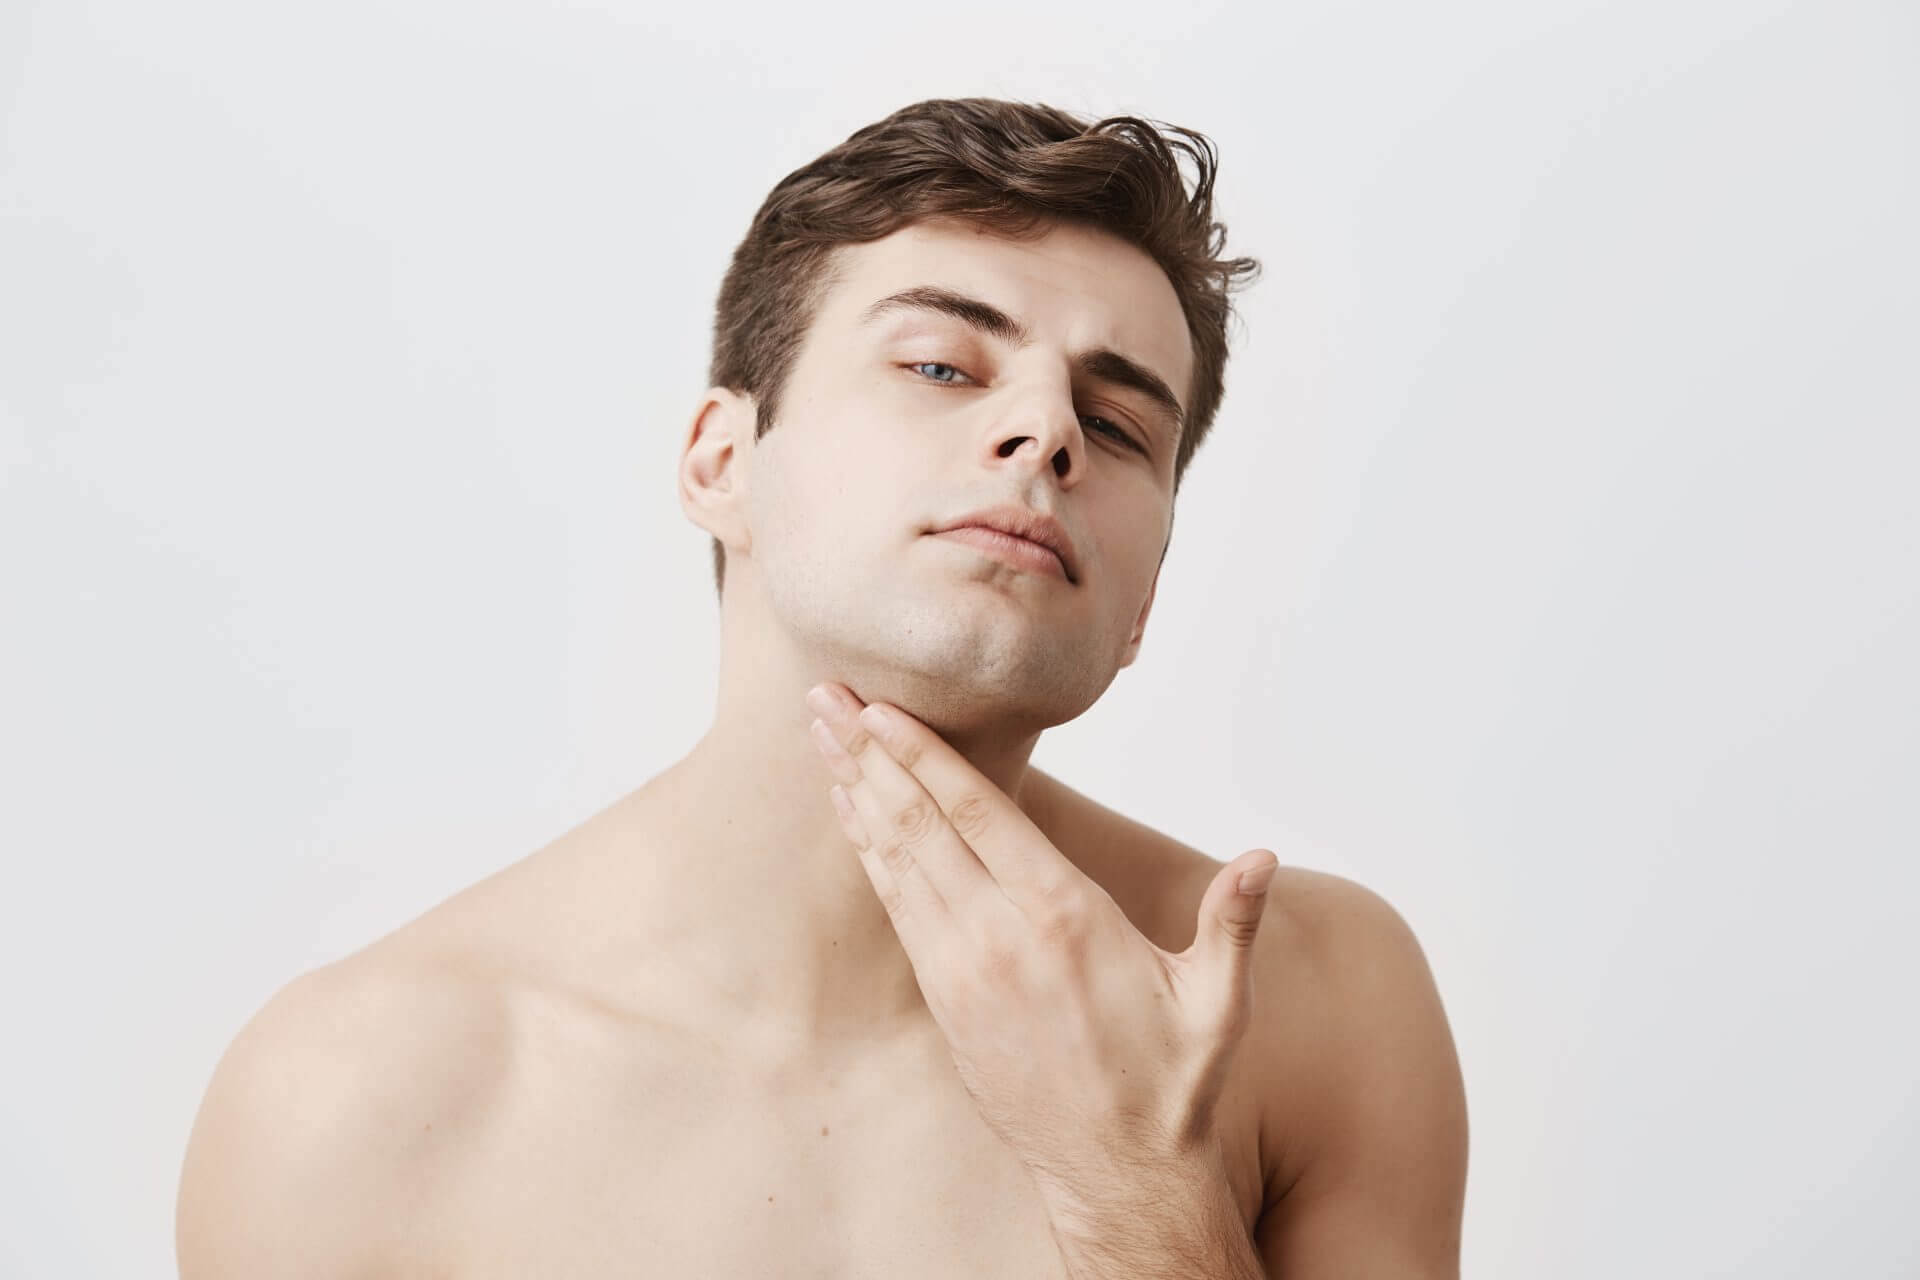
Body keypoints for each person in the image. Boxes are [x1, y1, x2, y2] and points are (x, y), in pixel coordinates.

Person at [176, 97, 1467, 1277]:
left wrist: (1135, 1186)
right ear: (721, 461)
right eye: (944, 366)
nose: (1047, 432)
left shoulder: (1303, 1000)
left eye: (1120, 425)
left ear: (1146, 599)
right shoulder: (359, 1096)